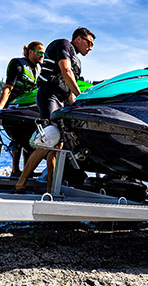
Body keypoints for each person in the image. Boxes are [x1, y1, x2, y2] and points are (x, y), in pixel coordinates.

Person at [13, 27, 95, 194]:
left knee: (57, 145)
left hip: (61, 100)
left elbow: (69, 89)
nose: (90, 48)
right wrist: (80, 97)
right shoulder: (64, 45)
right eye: (89, 43)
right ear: (78, 39)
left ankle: (51, 189)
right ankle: (20, 184)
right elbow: (65, 71)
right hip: (48, 95)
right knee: (49, 139)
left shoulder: (77, 62)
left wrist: (76, 105)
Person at [0, 41, 45, 177]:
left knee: (29, 139)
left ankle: (26, 169)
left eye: (44, 53)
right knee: (17, 140)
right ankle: (15, 170)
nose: (42, 56)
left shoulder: (38, 69)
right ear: (30, 52)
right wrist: (1, 108)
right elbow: (8, 88)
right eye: (40, 52)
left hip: (28, 109)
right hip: (13, 108)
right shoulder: (18, 65)